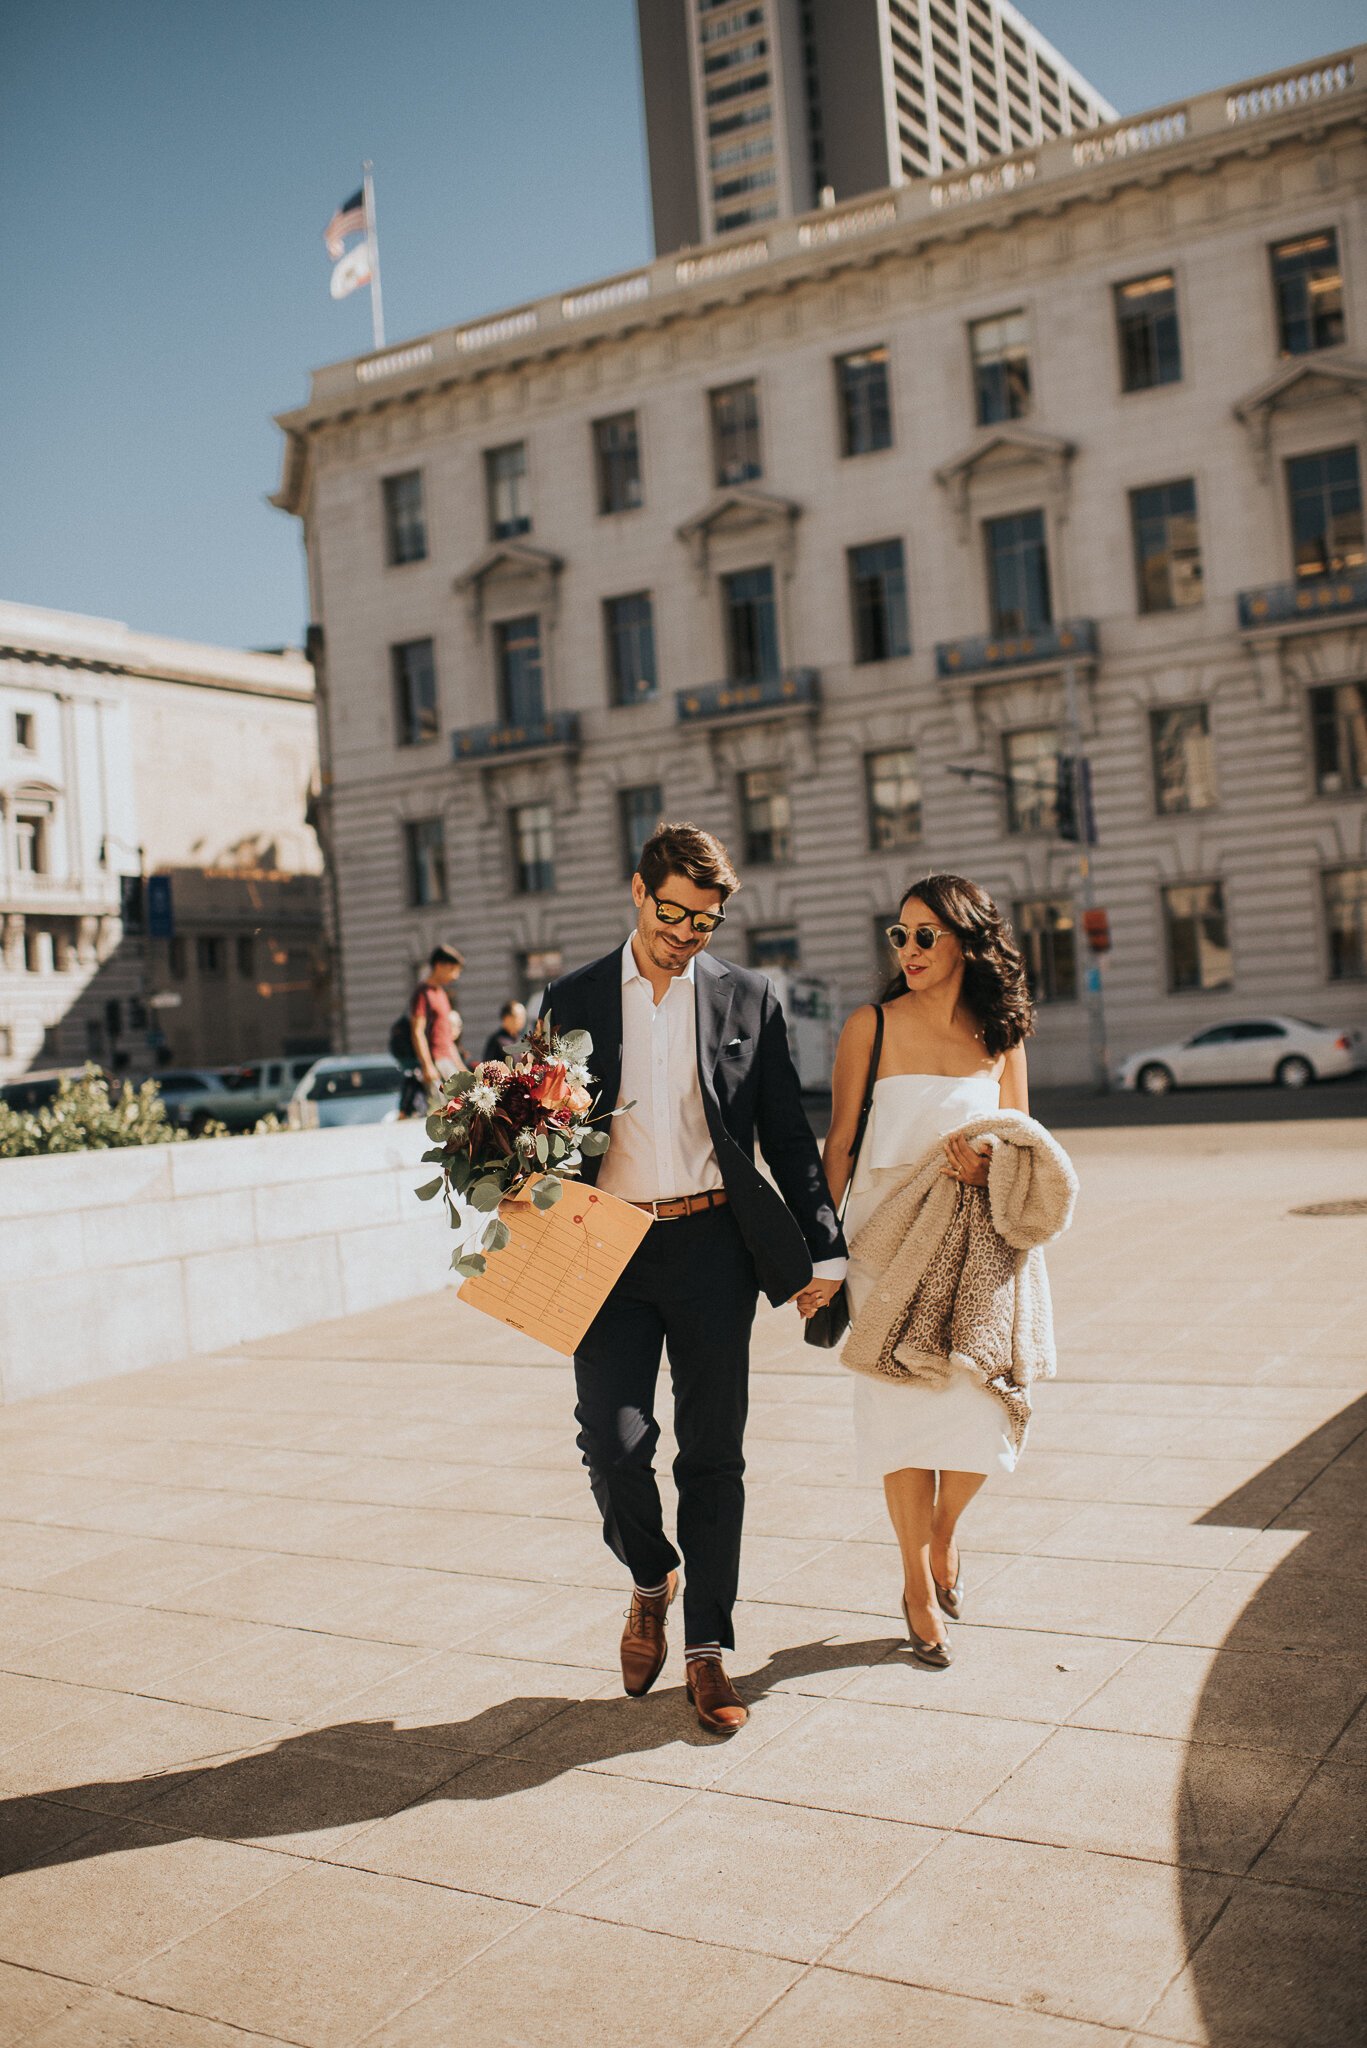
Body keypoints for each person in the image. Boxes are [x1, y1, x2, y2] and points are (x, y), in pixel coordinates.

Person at [543, 821, 846, 1735]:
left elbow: (787, 1138)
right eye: (671, 912)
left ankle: (708, 1650)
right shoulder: (573, 997)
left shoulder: (748, 998)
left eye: (704, 921)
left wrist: (820, 1249)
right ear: (637, 892)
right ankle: (650, 1577)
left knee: (713, 1454)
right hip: (610, 1250)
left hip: (714, 1247)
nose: (684, 932)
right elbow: (540, 1127)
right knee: (612, 1443)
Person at [799, 874, 1036, 1667]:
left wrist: (991, 1164)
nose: (907, 949)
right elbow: (837, 1144)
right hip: (880, 1246)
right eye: (897, 935)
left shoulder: (1000, 1033)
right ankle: (915, 1586)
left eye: (924, 934)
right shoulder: (869, 1023)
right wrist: (821, 1257)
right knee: (901, 1424)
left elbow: (1025, 1136)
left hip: (977, 1251)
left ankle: (942, 1536)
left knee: (981, 1409)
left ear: (966, 940)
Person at [398, 944, 467, 1118]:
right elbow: (417, 1031)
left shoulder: (442, 993)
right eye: (452, 969)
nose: (455, 976)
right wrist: (427, 1065)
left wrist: (460, 1067)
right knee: (442, 1111)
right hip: (435, 1061)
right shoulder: (423, 993)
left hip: (447, 1059)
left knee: (462, 1107)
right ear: (439, 966)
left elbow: (447, 1037)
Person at [481, 999, 527, 1065]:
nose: (522, 1020)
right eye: (519, 1017)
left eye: (523, 1016)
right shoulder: (497, 1040)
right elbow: (488, 1065)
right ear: (507, 1018)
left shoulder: (521, 1039)